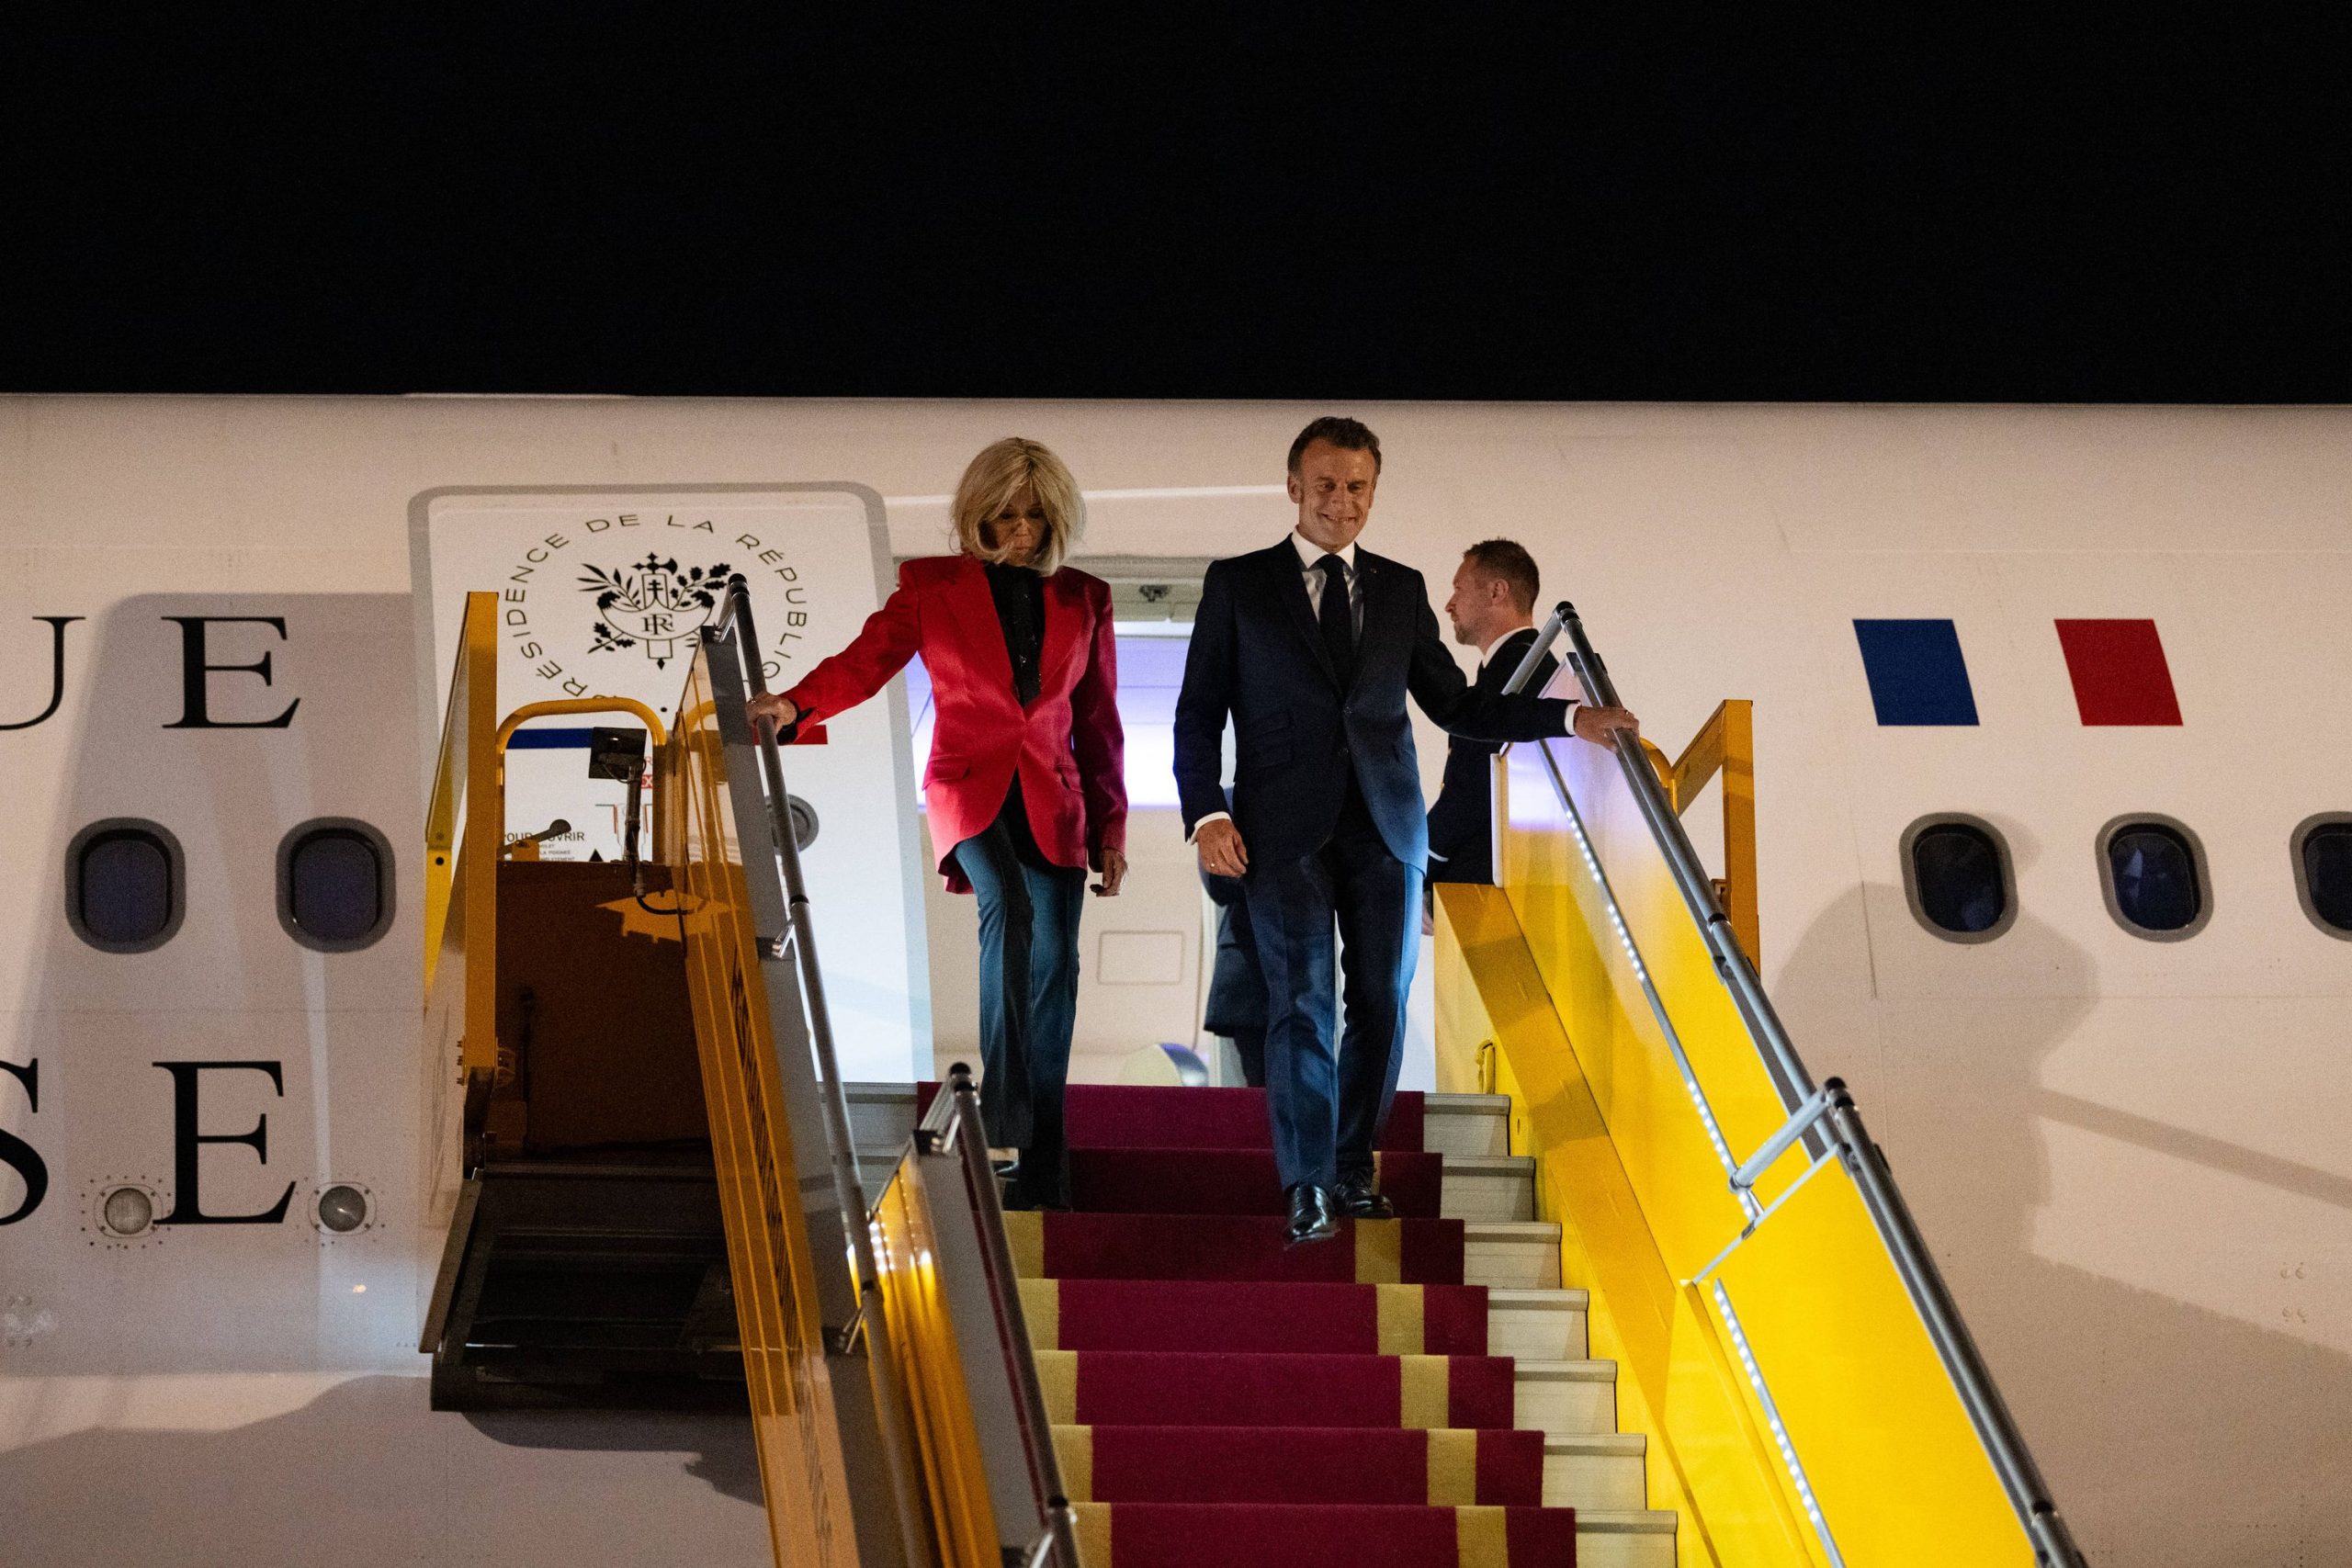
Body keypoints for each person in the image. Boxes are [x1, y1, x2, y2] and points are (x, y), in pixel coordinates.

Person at [1173, 417, 1637, 1246]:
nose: (1340, 502)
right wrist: (1207, 811)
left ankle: (1353, 1166)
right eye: (1325, 485)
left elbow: (1459, 705)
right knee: (1303, 1005)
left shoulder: (1398, 586)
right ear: (1294, 487)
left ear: (1372, 492)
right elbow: (1199, 711)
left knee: (1380, 1003)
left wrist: (1570, 716)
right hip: (1278, 834)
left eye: (1356, 486)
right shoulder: (1239, 583)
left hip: (1387, 830)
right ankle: (1307, 1182)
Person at [746, 437, 1126, 1209]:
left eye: (1035, 516)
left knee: (1058, 967)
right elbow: (868, 658)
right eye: (1006, 515)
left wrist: (1112, 831)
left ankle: (1046, 1152)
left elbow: (1098, 721)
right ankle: (1003, 1118)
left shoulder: (1086, 596)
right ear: (977, 517)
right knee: (1009, 908)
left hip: (1056, 799)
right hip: (969, 787)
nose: (1021, 530)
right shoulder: (931, 585)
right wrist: (794, 704)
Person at [1426, 539, 1560, 888]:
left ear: (1497, 591)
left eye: (1459, 588)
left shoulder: (1515, 669)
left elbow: (1471, 782)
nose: (1449, 605)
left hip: (1489, 876)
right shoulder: (1527, 664)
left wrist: (1424, 862)